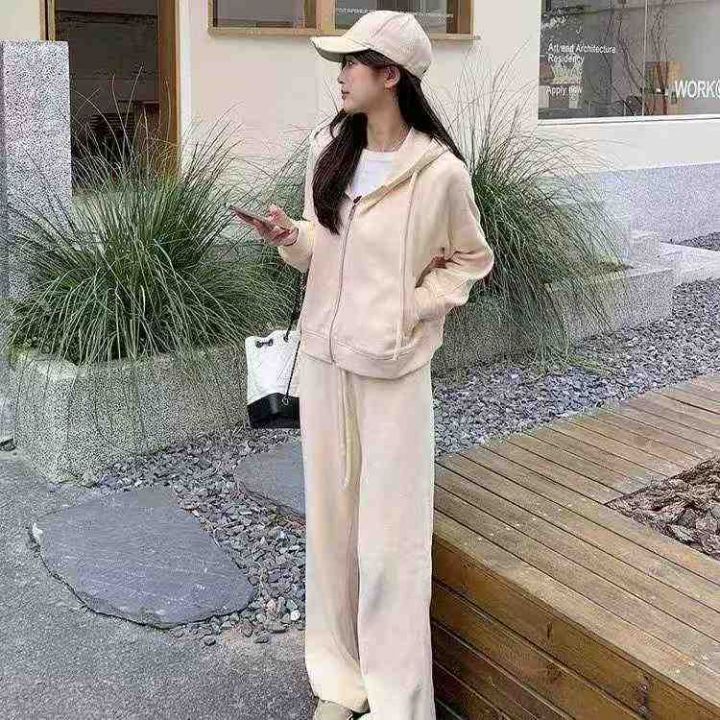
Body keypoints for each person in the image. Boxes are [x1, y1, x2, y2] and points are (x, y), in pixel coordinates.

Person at [237, 10, 495, 720]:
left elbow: (471, 261)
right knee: (331, 533)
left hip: (392, 374)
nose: (341, 75)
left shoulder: (439, 172)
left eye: (353, 62)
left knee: (390, 546)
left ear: (391, 76)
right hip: (325, 364)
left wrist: (413, 306)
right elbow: (322, 248)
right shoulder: (330, 147)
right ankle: (340, 681)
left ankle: (396, 700)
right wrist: (289, 237)